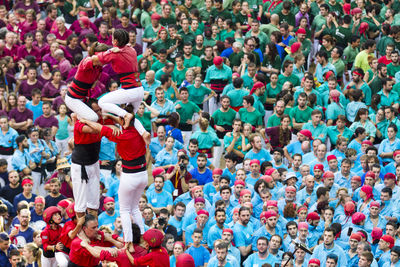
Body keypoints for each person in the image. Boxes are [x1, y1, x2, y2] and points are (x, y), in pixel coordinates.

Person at [79, 104, 148, 241]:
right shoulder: (138, 129)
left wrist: (86, 121)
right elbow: (123, 121)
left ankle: (128, 241)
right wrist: (111, 116)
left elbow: (100, 128)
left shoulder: (121, 134)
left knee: (124, 210)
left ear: (124, 121)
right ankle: (142, 236)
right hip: (143, 174)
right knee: (135, 208)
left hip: (130, 175)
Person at [91, 29, 144, 130]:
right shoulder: (132, 49)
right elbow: (124, 50)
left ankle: (124, 114)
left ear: (115, 41)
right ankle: (143, 133)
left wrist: (110, 50)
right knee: (130, 118)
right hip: (139, 89)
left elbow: (95, 59)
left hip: (130, 90)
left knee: (102, 102)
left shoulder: (114, 53)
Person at [65, 42, 109, 122]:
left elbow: (93, 85)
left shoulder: (99, 67)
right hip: (72, 98)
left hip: (83, 97)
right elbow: (88, 62)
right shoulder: (87, 61)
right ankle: (76, 117)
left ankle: (76, 116)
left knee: (101, 115)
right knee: (93, 118)